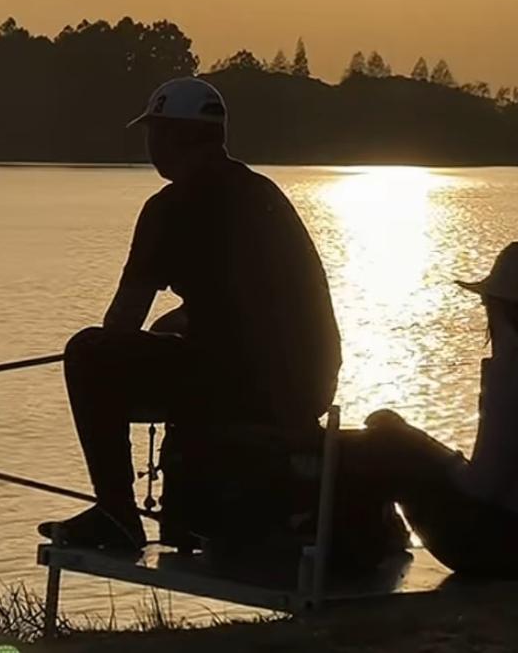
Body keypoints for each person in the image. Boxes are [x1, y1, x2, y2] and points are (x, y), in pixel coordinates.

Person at [39, 77, 341, 550]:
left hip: (245, 387)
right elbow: (250, 300)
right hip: (310, 386)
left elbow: (121, 327)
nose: (149, 144)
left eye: (153, 132)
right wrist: (181, 323)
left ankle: (117, 514)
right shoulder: (263, 194)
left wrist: (137, 351)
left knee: (88, 354)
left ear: (170, 136)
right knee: (166, 350)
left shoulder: (169, 207)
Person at [354, 242, 518, 579]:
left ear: (501, 306)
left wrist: (421, 447)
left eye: (486, 302)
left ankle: (364, 557)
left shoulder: (516, 373)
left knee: (388, 445)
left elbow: (482, 485)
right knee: (400, 440)